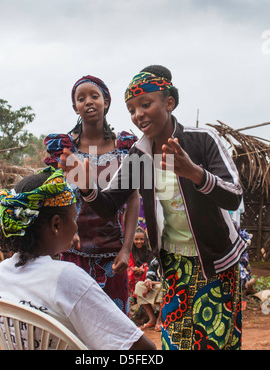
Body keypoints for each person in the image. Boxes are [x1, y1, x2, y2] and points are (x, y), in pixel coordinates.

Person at [60, 65, 246, 350]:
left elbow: (233, 195)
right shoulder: (139, 155)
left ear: (168, 103)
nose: (138, 115)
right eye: (132, 109)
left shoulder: (202, 140)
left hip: (215, 263)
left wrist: (195, 173)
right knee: (176, 342)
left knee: (215, 343)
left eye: (146, 104)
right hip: (173, 265)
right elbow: (109, 205)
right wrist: (86, 187)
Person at [0, 167, 156, 350]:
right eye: (73, 217)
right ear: (56, 225)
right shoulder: (65, 277)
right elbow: (144, 349)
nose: (76, 225)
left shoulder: (1, 273)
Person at [44, 75, 139, 315]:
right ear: (74, 106)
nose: (88, 102)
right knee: (74, 323)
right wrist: (61, 235)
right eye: (81, 98)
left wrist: (126, 249)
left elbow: (132, 200)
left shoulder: (124, 149)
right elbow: (56, 196)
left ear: (106, 102)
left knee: (114, 323)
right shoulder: (65, 150)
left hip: (113, 255)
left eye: (94, 96)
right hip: (73, 251)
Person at [134, 257, 162, 331]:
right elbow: (149, 276)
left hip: (165, 287)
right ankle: (152, 319)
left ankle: (160, 319)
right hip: (156, 286)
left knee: (165, 289)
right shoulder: (155, 262)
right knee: (139, 285)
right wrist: (148, 282)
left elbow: (168, 281)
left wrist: (151, 283)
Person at [128, 227, 153, 300]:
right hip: (134, 272)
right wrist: (134, 269)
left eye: (141, 239)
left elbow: (150, 265)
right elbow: (129, 264)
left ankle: (142, 294)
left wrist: (143, 269)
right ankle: (132, 294)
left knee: (147, 270)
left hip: (144, 273)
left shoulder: (149, 252)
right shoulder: (130, 252)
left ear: (145, 240)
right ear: (133, 240)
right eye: (136, 239)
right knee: (128, 272)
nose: (139, 242)